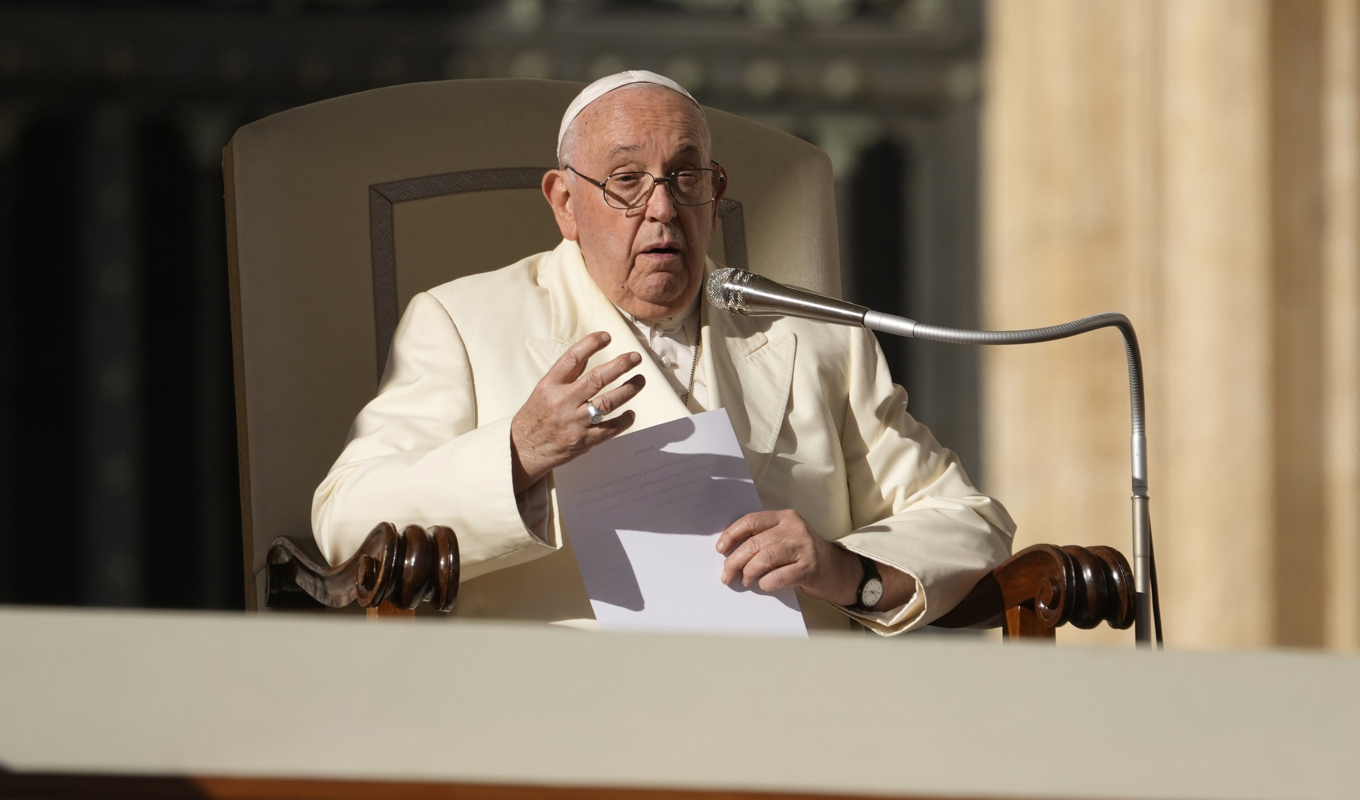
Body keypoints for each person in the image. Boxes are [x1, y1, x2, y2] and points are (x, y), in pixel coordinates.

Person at [312, 71, 1014, 634]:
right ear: (564, 202)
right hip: (559, 713)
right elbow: (345, 520)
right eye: (626, 180)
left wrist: (846, 571)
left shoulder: (817, 337)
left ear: (714, 194)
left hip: (789, 716)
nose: (662, 209)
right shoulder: (463, 323)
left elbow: (967, 520)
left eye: (685, 178)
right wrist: (518, 454)